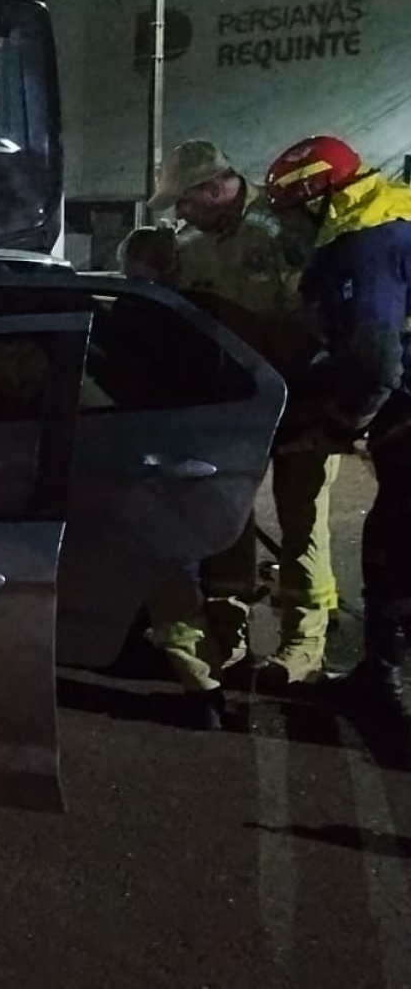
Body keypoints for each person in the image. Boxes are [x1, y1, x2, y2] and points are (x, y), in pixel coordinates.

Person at [147, 139, 338, 709]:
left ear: (213, 188)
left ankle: (304, 645)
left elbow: (319, 324)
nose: (180, 215)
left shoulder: (284, 231)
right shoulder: (191, 249)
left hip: (299, 404)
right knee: (227, 521)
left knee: (304, 521)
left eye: (185, 202)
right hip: (231, 413)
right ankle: (228, 637)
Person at [265, 135, 411, 747]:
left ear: (319, 199)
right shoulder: (389, 216)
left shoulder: (362, 249)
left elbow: (376, 361)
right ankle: (380, 676)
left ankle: (385, 685)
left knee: (396, 540)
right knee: (392, 536)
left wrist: (336, 430)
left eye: (291, 214)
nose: (286, 229)